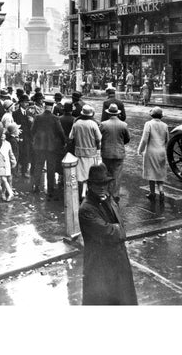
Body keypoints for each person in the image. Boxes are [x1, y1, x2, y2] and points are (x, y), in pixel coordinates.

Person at [79, 163, 138, 305]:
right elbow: (108, 233)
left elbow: (118, 225)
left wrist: (117, 228)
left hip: (118, 262)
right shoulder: (86, 209)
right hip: (100, 267)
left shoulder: (109, 199)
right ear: (90, 185)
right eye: (97, 184)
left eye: (104, 184)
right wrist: (119, 229)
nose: (101, 188)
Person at [30, 97, 67, 199]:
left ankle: (35, 186)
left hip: (39, 146)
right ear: (51, 107)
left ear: (45, 106)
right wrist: (63, 142)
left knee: (38, 165)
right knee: (51, 167)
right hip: (51, 147)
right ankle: (50, 188)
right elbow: (60, 132)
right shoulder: (55, 118)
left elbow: (32, 130)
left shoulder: (38, 117)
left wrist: (35, 140)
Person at [69, 103, 102, 201]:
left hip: (79, 152)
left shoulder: (76, 123)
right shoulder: (93, 124)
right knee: (89, 173)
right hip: (91, 153)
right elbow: (99, 138)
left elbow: (71, 137)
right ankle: (85, 191)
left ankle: (81, 192)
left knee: (80, 173)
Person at [137, 106, 169, 203]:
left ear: (152, 115)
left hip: (151, 150)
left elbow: (144, 139)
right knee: (160, 172)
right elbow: (167, 139)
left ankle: (152, 193)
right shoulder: (165, 125)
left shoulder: (148, 124)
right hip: (161, 150)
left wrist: (140, 150)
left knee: (151, 172)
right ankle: (161, 191)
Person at [99, 103, 130, 202]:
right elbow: (127, 139)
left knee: (106, 173)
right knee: (117, 175)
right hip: (119, 153)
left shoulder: (103, 124)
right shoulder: (123, 125)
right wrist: (120, 143)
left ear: (108, 114)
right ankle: (115, 195)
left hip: (106, 153)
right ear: (117, 114)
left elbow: (99, 137)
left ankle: (107, 193)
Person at [13, 94, 33, 178]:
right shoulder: (15, 113)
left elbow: (31, 126)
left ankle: (24, 171)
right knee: (18, 154)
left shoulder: (29, 113)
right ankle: (16, 171)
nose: (27, 104)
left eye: (27, 102)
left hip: (27, 137)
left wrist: (31, 121)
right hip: (19, 136)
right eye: (25, 102)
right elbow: (14, 125)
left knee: (26, 154)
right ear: (20, 103)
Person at [0, 130, 17, 201]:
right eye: (1, 134)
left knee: (5, 179)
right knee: (2, 179)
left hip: (6, 163)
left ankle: (4, 193)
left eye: (4, 134)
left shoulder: (8, 143)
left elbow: (11, 153)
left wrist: (13, 161)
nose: (2, 136)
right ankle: (10, 193)